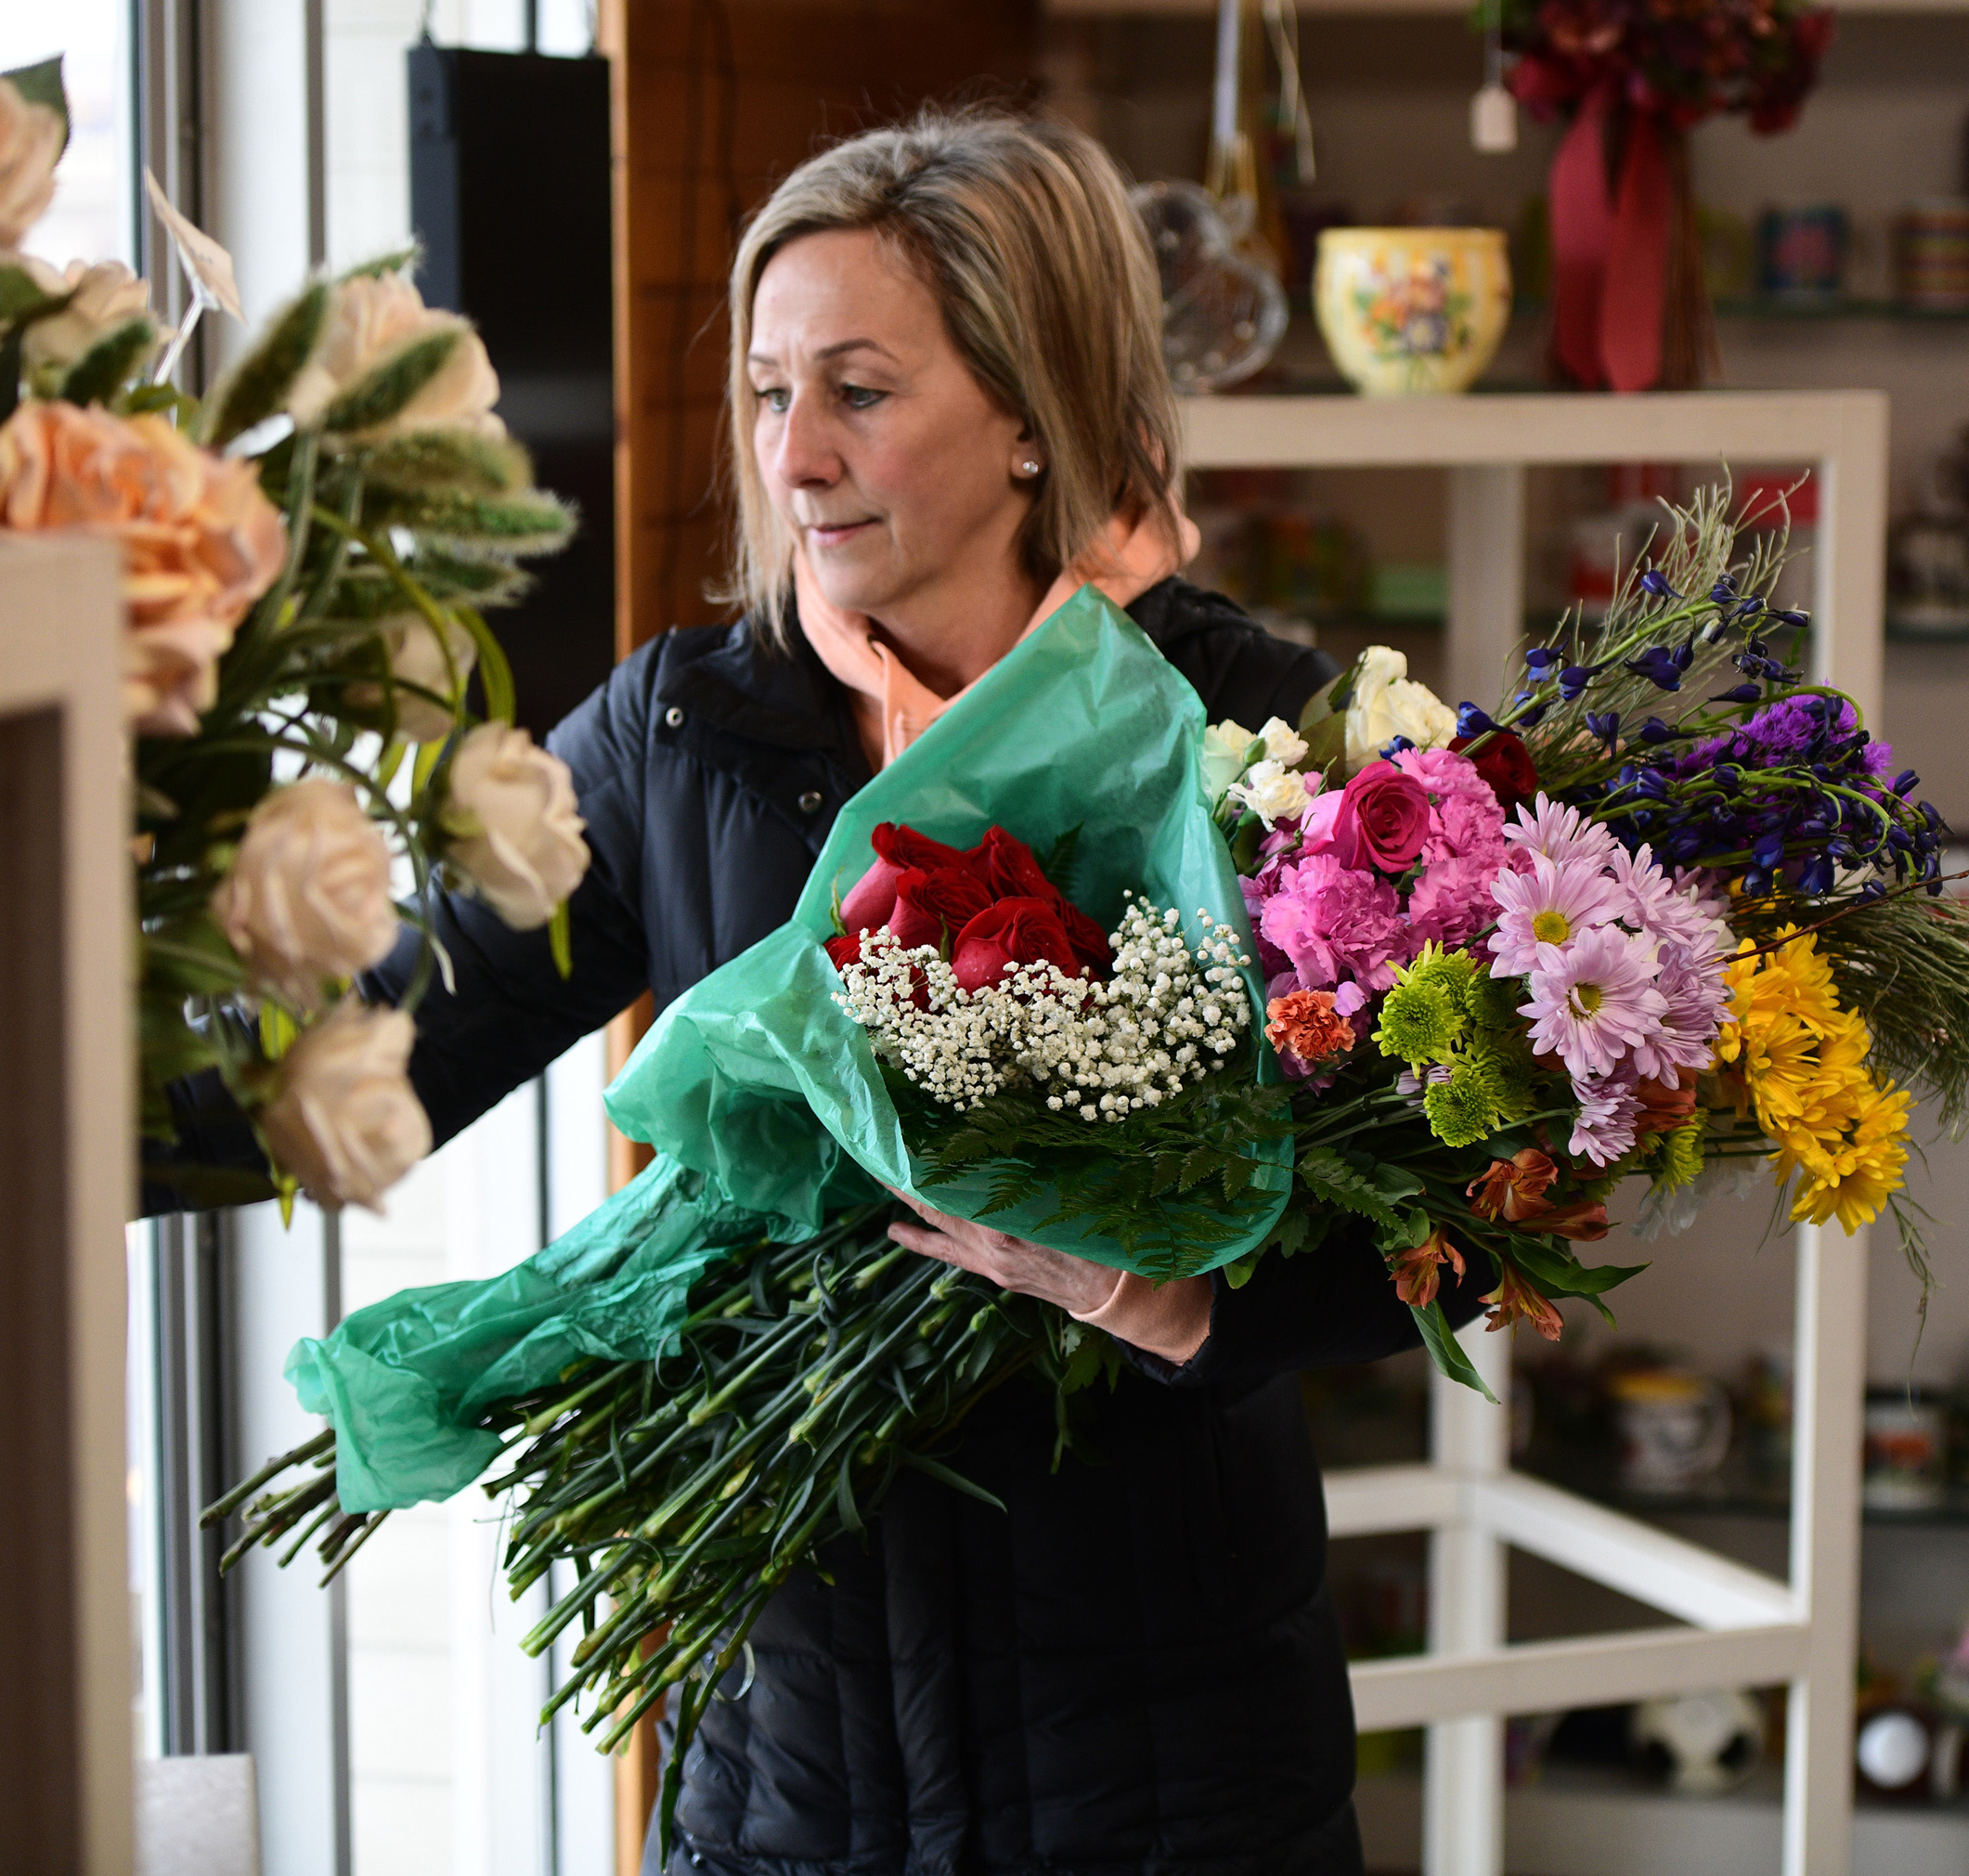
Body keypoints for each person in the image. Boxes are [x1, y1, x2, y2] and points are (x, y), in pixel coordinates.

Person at [165, 103, 1484, 1876]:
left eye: (860, 390)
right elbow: (354, 1054)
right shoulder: (683, 735)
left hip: (1174, 1779)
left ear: (1030, 414)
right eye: (772, 392)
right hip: (794, 1782)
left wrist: (1178, 1301)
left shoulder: (1258, 739)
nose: (795, 455)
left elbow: (1470, 1205)